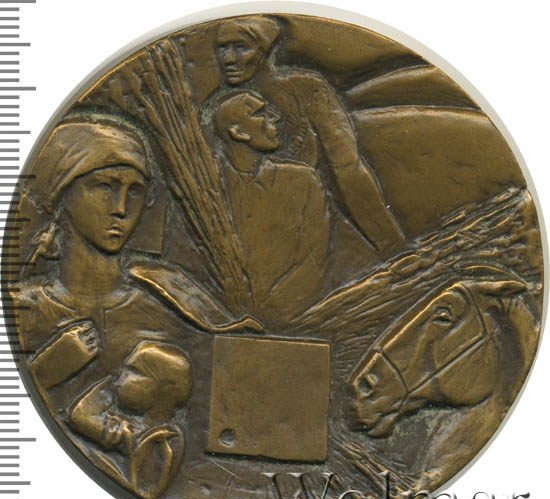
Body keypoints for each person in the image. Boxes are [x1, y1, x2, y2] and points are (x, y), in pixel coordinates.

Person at [9, 120, 261, 414]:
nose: (120, 208)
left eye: (134, 191)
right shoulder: (19, 309)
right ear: (63, 194)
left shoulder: (168, 312)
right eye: (105, 186)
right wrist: (44, 372)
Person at [211, 15, 405, 259]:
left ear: (263, 51)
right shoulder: (222, 111)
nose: (228, 58)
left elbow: (348, 169)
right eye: (222, 48)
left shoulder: (307, 88)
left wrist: (390, 244)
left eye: (240, 47)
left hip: (317, 229)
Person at [213, 90, 330, 327]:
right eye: (260, 114)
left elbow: (315, 259)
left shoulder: (303, 182)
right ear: (238, 132)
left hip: (291, 319)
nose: (275, 120)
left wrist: (270, 310)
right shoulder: (205, 187)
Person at [69, 340, 192, 499]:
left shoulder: (161, 443)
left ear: (165, 389)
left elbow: (81, 416)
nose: (120, 378)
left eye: (134, 371)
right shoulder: (134, 429)